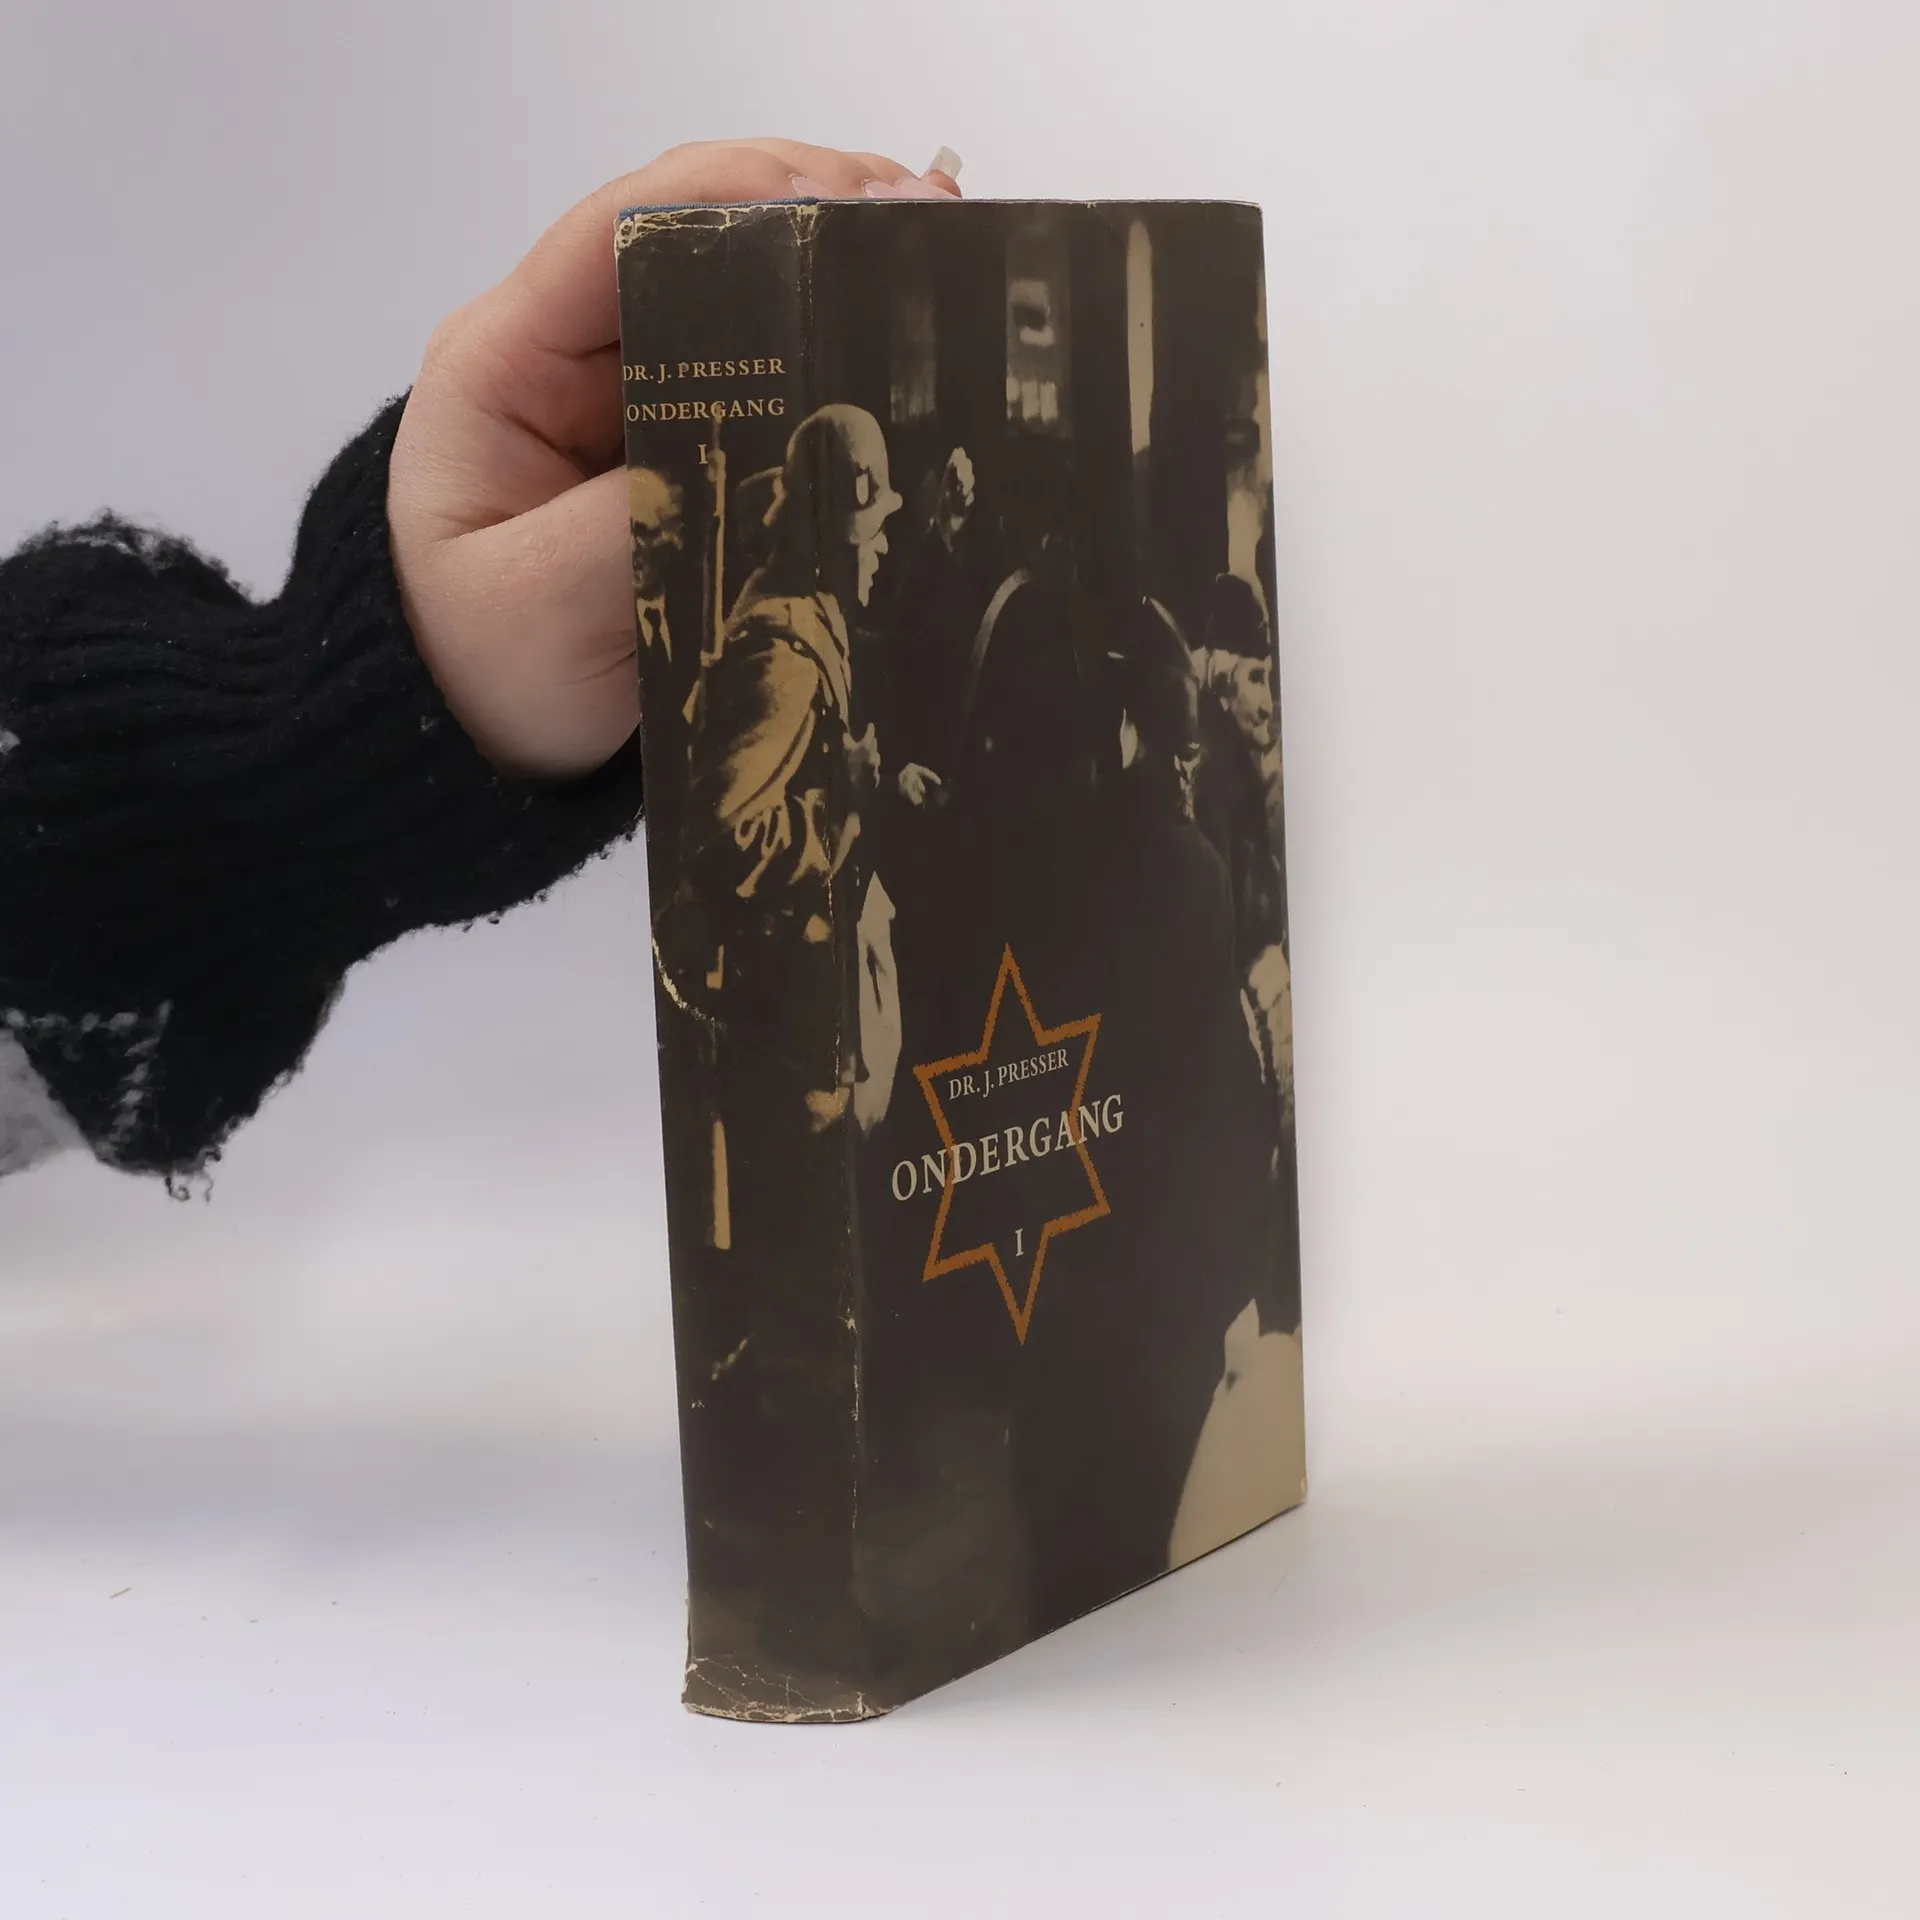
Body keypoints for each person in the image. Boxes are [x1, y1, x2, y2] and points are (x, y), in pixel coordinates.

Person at [0, 140, 960, 1186]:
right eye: (868, 494)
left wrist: (337, 722)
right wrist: (324, 744)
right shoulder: (781, 647)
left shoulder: (813, 624)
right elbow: (746, 834)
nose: (888, 516)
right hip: (798, 1031)